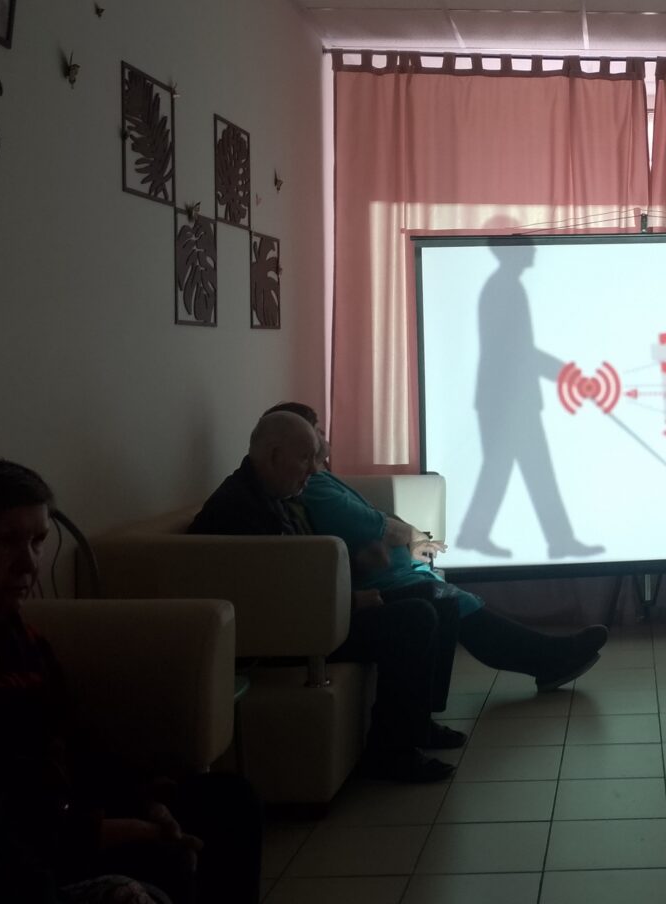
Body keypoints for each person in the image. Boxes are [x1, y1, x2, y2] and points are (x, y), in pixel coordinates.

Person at [0, 458, 261, 904]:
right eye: (6, 541)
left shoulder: (17, 638)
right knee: (164, 858)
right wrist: (103, 830)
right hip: (20, 846)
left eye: (38, 542)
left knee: (227, 801)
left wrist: (145, 804)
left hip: (70, 809)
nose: (28, 564)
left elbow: (75, 738)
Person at [263, 403, 608, 696]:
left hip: (393, 574)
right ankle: (548, 657)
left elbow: (381, 517)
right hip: (382, 583)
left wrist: (408, 534)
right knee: (448, 599)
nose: (323, 442)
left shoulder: (317, 480)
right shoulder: (312, 487)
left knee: (451, 598)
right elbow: (375, 525)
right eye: (315, 436)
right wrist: (410, 536)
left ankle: (547, 656)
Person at [189, 412, 457, 783]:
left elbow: (299, 576)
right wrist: (352, 602)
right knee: (414, 619)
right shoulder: (240, 510)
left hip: (312, 617)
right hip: (285, 638)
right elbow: (271, 600)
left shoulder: (273, 495)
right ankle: (391, 754)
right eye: (305, 458)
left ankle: (418, 724)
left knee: (434, 595)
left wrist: (358, 568)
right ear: (273, 455)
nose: (313, 470)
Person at [453, 238, 602, 560]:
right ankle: (557, 541)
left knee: (513, 470)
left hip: (508, 400)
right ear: (514, 254)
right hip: (507, 402)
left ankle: (476, 535)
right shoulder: (504, 289)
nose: (534, 251)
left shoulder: (505, 287)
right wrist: (568, 375)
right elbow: (518, 351)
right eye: (529, 248)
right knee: (525, 470)